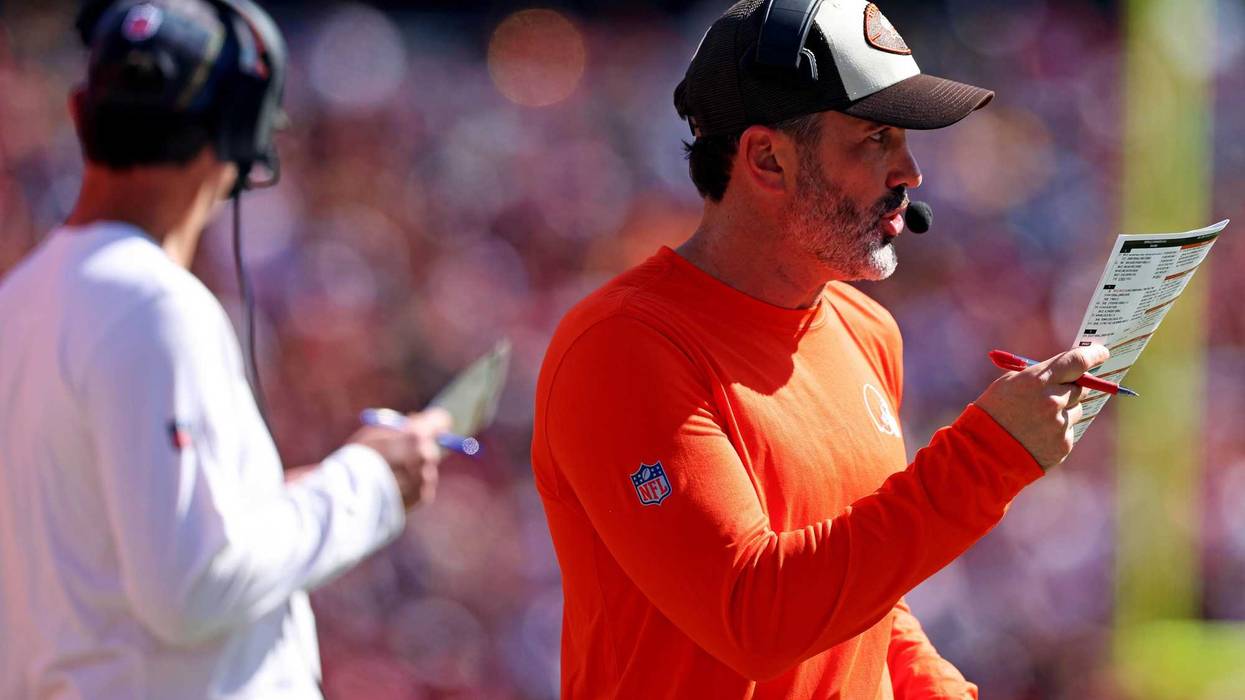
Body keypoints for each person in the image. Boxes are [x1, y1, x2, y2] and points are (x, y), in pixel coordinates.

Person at [531, 0, 1109, 697]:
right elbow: (753, 617)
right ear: (766, 159)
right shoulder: (621, 348)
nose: (910, 172)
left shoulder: (867, 330)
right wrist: (986, 458)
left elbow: (860, 602)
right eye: (875, 139)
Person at [0, 1, 449, 697]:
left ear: (81, 113)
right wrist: (367, 483)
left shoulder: (18, 298)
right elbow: (192, 588)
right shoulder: (153, 304)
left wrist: (277, 500)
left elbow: (117, 560)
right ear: (242, 132)